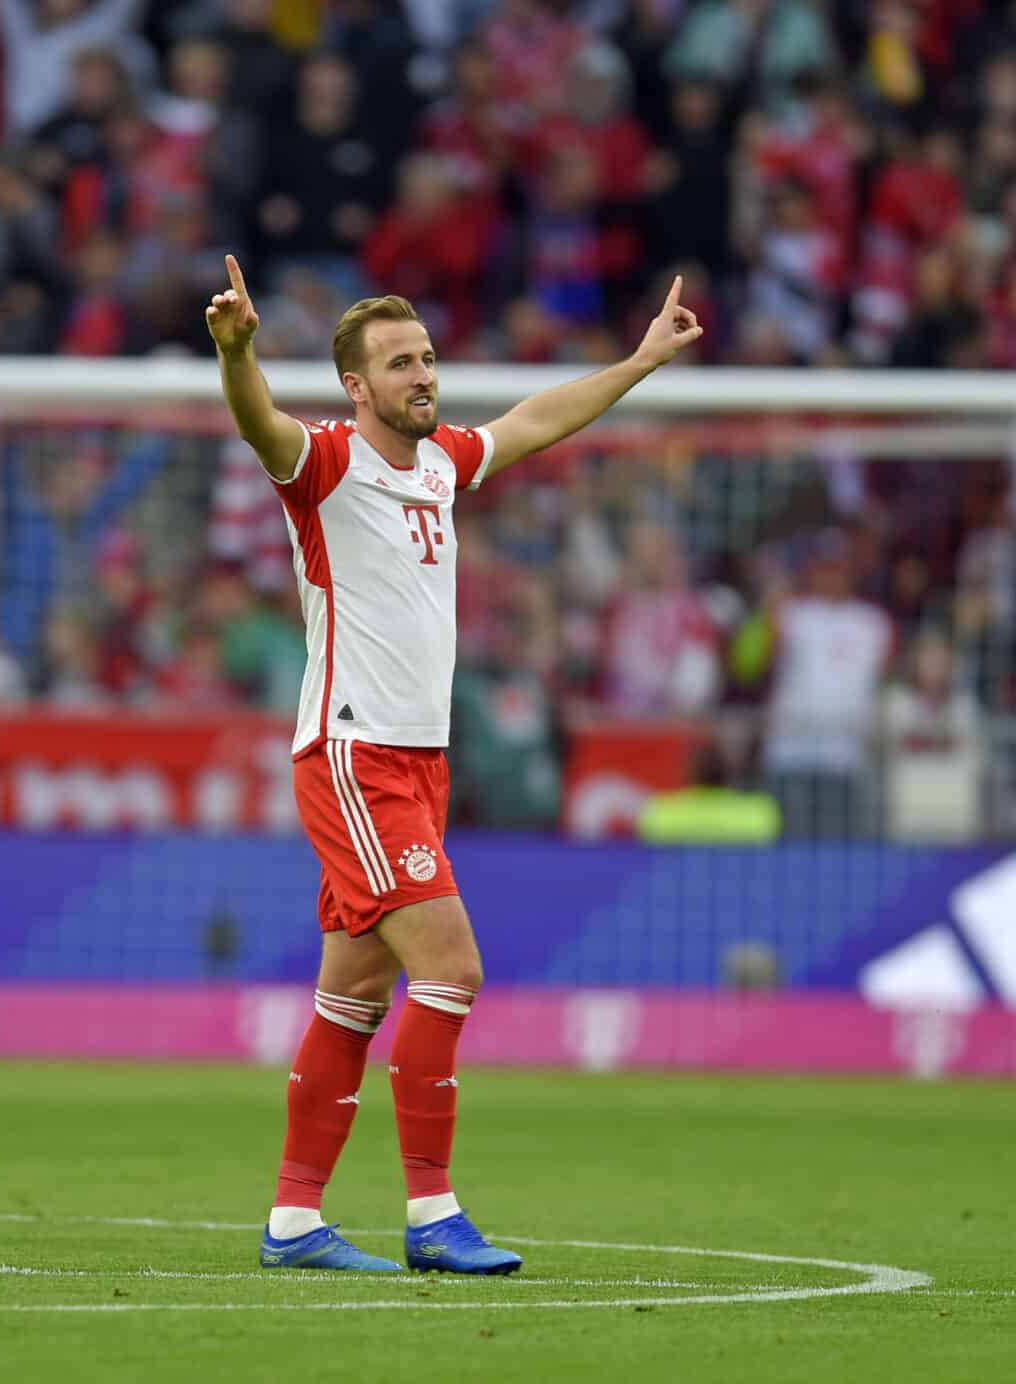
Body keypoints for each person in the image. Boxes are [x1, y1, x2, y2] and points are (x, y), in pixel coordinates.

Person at [205, 256, 700, 1273]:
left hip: (417, 764)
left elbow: (535, 419)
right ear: (355, 385)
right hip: (354, 753)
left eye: (426, 356)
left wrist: (638, 361)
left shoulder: (440, 464)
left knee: (351, 997)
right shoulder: (328, 463)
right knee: (452, 968)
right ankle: (432, 1213)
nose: (421, 374)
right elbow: (259, 427)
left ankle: (293, 1221)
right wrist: (237, 351)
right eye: (398, 362)